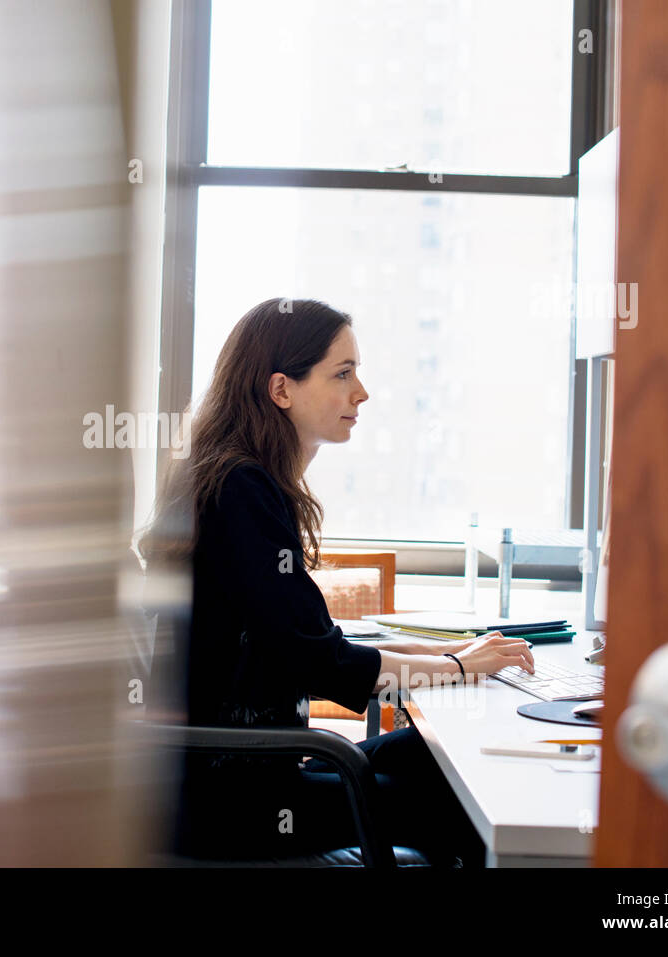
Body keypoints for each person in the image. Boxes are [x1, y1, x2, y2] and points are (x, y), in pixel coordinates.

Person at [140, 297, 535, 866]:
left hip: (260, 766)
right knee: (460, 801)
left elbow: (315, 643)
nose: (362, 392)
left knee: (436, 753)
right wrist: (456, 668)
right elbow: (321, 665)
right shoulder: (241, 491)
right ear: (282, 390)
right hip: (234, 800)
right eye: (343, 374)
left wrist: (454, 652)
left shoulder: (240, 480)